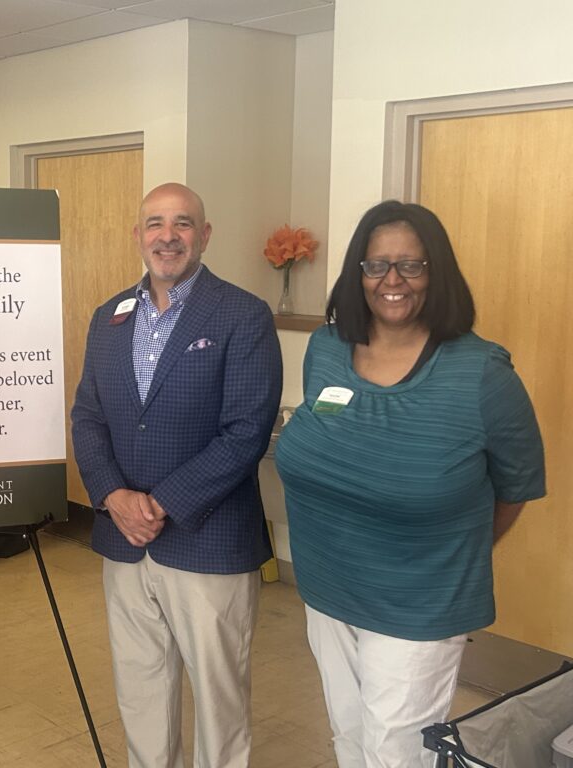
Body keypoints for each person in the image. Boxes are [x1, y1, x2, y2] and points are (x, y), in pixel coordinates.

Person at [275, 200, 546, 767]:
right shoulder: (326, 349)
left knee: (397, 754)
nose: (392, 281)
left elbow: (515, 489)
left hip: (418, 602)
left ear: (436, 272)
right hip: (326, 590)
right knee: (349, 738)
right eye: (376, 266)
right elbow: (327, 430)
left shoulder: (482, 375)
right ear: (358, 274)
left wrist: (439, 548)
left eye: (411, 266)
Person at [71, 183, 283, 767]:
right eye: (156, 224)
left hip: (207, 540)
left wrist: (158, 504)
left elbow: (246, 430)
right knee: (140, 690)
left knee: (219, 701)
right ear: (138, 236)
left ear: (204, 235)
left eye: (183, 223)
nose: (169, 236)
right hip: (124, 541)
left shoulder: (243, 314)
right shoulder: (108, 317)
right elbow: (88, 416)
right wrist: (113, 495)